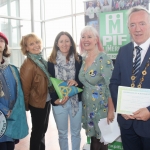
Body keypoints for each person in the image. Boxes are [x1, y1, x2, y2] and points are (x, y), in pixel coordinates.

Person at [109, 6, 150, 150]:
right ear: (128, 28)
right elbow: (114, 83)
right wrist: (120, 107)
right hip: (127, 123)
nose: (137, 29)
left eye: (142, 23)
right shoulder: (123, 50)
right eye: (133, 25)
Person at [78, 26, 114, 150]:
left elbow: (111, 85)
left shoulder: (104, 59)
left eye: (89, 36)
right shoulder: (82, 59)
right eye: (83, 37)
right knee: (93, 139)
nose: (85, 40)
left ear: (96, 40)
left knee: (102, 140)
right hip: (88, 107)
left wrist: (111, 110)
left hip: (102, 106)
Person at [48, 31, 82, 150]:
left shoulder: (79, 60)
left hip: (76, 101)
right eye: (61, 41)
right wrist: (55, 100)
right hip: (59, 102)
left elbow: (83, 79)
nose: (64, 44)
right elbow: (49, 84)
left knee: (76, 133)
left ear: (71, 43)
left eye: (67, 41)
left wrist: (77, 82)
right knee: (62, 134)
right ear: (57, 44)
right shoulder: (51, 62)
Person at [20, 33, 53, 150]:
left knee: (42, 130)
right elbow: (25, 89)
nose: (36, 45)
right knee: (38, 132)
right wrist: (26, 107)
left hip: (46, 100)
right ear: (26, 48)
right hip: (37, 103)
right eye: (31, 44)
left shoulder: (40, 60)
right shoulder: (28, 65)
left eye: (37, 42)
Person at [0, 32, 28, 150]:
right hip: (2, 116)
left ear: (5, 46)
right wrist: (5, 110)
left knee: (10, 147)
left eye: (1, 41)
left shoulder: (12, 69)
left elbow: (19, 95)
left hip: (12, 119)